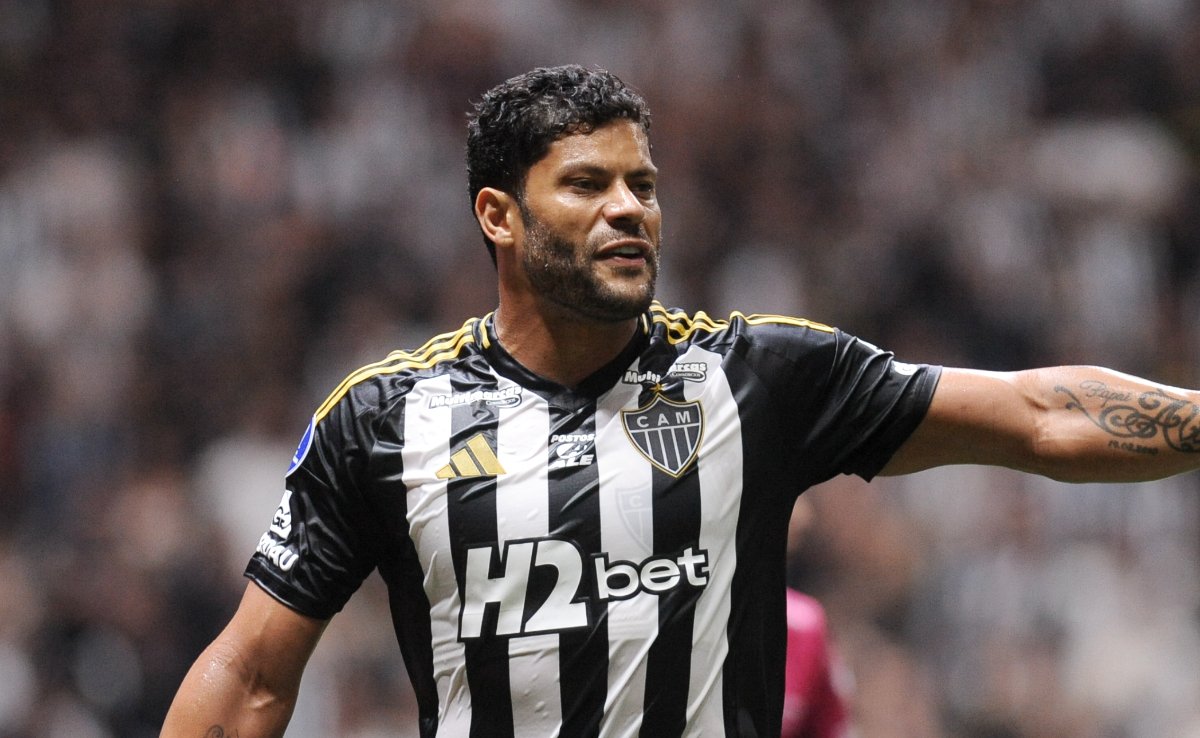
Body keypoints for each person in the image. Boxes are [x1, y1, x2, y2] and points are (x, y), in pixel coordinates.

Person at [161, 64, 1200, 738]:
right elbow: (250, 678)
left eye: (644, 186)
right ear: (499, 216)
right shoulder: (385, 419)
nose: (629, 209)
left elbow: (1037, 414)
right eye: (586, 185)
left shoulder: (758, 377)